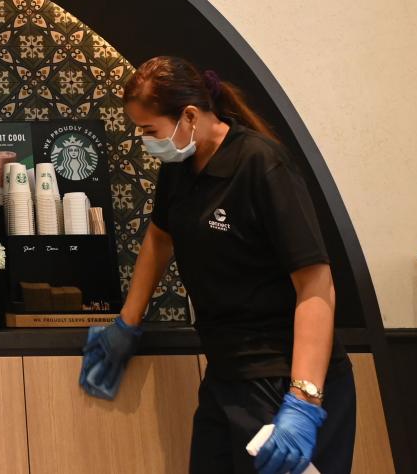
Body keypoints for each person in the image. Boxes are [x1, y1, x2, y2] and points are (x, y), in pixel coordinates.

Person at [80, 56, 356, 474]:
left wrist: (304, 400)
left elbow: (316, 285)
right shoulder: (179, 168)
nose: (145, 141)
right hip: (226, 373)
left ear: (188, 116)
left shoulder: (262, 164)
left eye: (149, 130)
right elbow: (160, 237)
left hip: (283, 377)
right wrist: (127, 323)